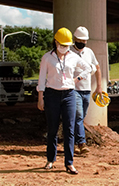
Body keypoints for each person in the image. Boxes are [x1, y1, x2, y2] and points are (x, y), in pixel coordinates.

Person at [37, 28, 93, 175]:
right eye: (62, 44)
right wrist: (40, 97)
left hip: (69, 95)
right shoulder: (47, 58)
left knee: (69, 129)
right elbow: (42, 78)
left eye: (67, 45)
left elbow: (89, 68)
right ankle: (50, 159)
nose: (64, 47)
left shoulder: (73, 57)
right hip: (51, 95)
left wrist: (77, 79)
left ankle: (69, 163)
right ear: (56, 42)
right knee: (53, 129)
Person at [71, 26, 103, 155]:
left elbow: (97, 68)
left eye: (84, 41)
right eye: (80, 40)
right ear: (74, 39)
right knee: (78, 116)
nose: (82, 43)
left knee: (80, 118)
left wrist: (99, 87)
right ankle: (82, 143)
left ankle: (71, 142)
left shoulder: (89, 52)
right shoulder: (69, 53)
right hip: (73, 90)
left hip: (86, 90)